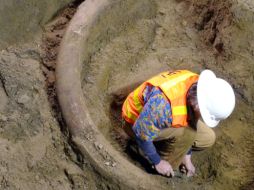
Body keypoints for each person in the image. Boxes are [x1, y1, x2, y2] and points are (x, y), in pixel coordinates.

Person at [121, 70, 235, 177]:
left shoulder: (200, 87)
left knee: (207, 138)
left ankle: (166, 144)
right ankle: (160, 164)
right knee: (186, 133)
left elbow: (191, 121)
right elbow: (140, 132)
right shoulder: (162, 106)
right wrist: (157, 161)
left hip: (155, 116)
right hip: (134, 121)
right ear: (197, 106)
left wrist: (186, 155)